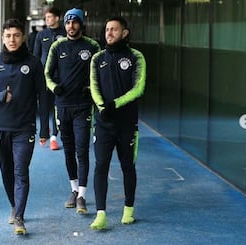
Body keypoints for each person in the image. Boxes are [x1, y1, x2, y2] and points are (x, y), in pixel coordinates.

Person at [0, 19, 45, 235]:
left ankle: (19, 217)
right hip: (1, 127)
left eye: (16, 35)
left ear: (23, 37)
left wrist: (45, 128)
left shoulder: (33, 63)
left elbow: (43, 97)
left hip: (25, 128)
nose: (12, 39)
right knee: (7, 172)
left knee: (21, 171)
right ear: (2, 37)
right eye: (8, 36)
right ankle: (14, 205)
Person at [89, 16, 146, 230]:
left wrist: (115, 104)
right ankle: (101, 214)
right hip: (103, 123)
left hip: (127, 124)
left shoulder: (136, 57)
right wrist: (103, 107)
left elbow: (138, 88)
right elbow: (94, 86)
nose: (109, 33)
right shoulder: (97, 58)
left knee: (127, 166)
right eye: (107, 29)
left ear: (125, 33)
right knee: (100, 166)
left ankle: (128, 211)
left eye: (114, 29)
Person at [45, 8, 100, 214]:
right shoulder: (57, 46)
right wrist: (54, 88)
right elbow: (47, 73)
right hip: (62, 106)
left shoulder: (92, 46)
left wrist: (91, 90)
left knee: (82, 149)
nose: (71, 26)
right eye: (68, 22)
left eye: (75, 22)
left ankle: (83, 196)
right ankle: (74, 190)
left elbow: (99, 74)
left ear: (81, 24)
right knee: (68, 150)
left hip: (83, 107)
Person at [34, 7, 66, 150]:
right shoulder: (41, 35)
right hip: (44, 77)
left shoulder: (65, 33)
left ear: (57, 18)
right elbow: (35, 57)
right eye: (46, 17)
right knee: (44, 107)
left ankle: (54, 137)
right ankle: (43, 133)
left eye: (49, 17)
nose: (47, 20)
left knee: (57, 107)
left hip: (60, 77)